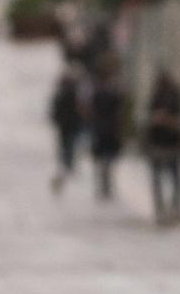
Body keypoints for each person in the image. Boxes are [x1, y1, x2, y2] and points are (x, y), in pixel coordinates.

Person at [143, 70, 180, 224]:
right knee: (161, 177)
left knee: (173, 176)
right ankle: (162, 207)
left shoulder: (175, 98)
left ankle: (174, 206)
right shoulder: (156, 98)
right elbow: (150, 117)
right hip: (159, 142)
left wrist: (166, 119)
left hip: (170, 142)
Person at [87, 62, 126, 201]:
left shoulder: (97, 92)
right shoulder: (113, 92)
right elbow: (120, 113)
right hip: (109, 130)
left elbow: (90, 111)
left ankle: (104, 184)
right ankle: (107, 184)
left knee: (101, 161)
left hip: (100, 130)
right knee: (108, 160)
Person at [48, 68, 85, 193]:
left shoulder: (66, 94)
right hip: (68, 125)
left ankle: (67, 163)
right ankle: (67, 163)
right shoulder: (68, 94)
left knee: (67, 144)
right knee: (68, 144)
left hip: (67, 125)